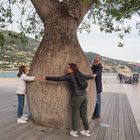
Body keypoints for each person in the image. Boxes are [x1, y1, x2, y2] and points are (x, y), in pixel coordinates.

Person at [44, 63, 94, 137]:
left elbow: (58, 79)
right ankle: (87, 131)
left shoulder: (69, 76)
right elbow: (87, 77)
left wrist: (45, 77)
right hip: (84, 96)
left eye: (68, 68)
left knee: (74, 114)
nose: (66, 69)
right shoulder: (80, 74)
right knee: (83, 113)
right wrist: (92, 76)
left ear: (72, 69)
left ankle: (74, 131)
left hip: (76, 97)